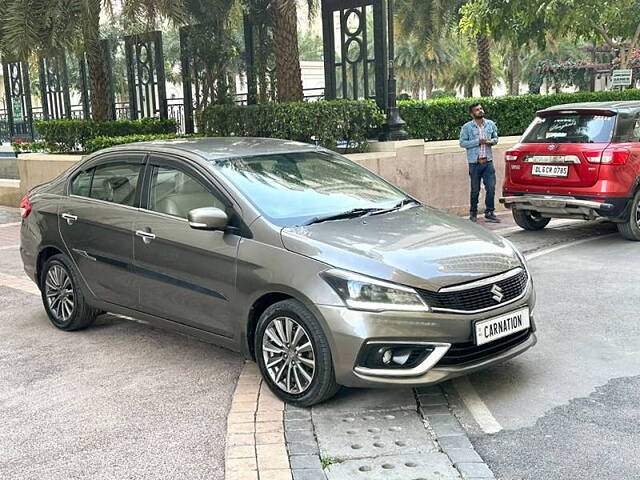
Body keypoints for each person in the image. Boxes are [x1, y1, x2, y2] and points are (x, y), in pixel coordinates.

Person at [459, 103, 501, 223]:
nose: (480, 111)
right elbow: (462, 143)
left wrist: (491, 141)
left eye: (481, 108)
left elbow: (496, 139)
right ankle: (473, 213)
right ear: (472, 114)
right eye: (477, 110)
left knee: (491, 188)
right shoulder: (467, 127)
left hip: (488, 161)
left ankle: (490, 212)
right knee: (475, 189)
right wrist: (478, 141)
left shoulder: (490, 124)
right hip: (475, 162)